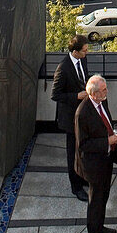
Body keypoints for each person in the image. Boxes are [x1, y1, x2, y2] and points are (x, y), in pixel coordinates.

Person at [75, 75, 117, 233]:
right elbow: (83, 144)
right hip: (94, 164)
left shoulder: (101, 101)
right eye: (103, 90)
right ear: (92, 94)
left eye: (106, 88)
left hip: (106, 159)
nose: (106, 92)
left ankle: (99, 227)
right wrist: (107, 142)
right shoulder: (83, 113)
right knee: (95, 203)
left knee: (104, 197)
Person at [51, 35, 90, 201]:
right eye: (84, 50)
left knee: (82, 148)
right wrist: (76, 96)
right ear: (75, 51)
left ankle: (82, 177)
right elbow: (55, 94)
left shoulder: (83, 61)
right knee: (72, 152)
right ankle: (76, 187)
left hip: (82, 114)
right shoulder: (63, 67)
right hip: (70, 118)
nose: (87, 53)